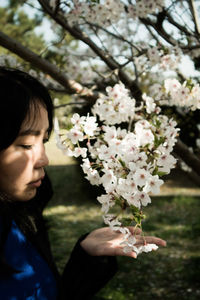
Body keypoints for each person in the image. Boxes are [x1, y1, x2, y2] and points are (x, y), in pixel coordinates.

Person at [0, 67, 166, 300]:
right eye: (27, 144)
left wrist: (85, 259)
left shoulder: (23, 218)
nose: (44, 159)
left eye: (44, 140)